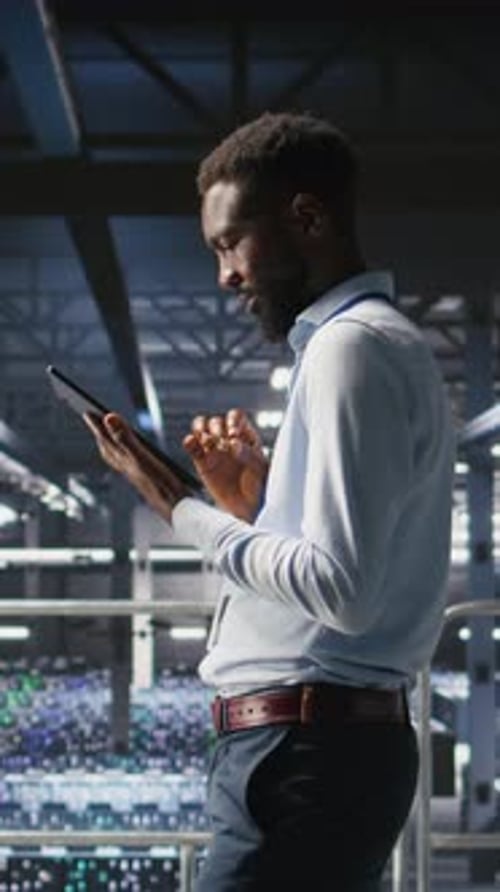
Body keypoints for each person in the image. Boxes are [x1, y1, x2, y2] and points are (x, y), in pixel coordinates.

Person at [84, 111, 455, 891]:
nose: (224, 274)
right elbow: (341, 574)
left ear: (307, 218)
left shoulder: (350, 350)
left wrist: (180, 506)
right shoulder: (370, 347)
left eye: (230, 244)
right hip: (312, 753)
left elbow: (342, 594)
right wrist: (255, 512)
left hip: (304, 756)